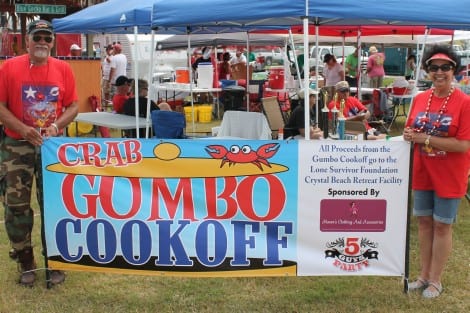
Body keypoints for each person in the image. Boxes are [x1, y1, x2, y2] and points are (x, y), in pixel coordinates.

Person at [0, 19, 78, 287]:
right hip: (15, 146)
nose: (43, 42)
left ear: (53, 42)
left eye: (47, 38)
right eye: (38, 37)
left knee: (54, 206)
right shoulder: (8, 68)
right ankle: (25, 262)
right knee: (16, 206)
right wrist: (22, 129)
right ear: (27, 40)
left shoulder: (64, 69)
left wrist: (58, 126)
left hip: (51, 148)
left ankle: (55, 263)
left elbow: (73, 105)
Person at [402, 45, 470, 299]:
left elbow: (463, 145)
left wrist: (423, 138)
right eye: (433, 67)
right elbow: (411, 131)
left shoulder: (464, 102)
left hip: (450, 173)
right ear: (426, 70)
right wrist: (411, 135)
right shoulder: (420, 99)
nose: (439, 72)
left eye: (445, 67)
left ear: (455, 70)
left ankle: (436, 280)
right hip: (423, 171)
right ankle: (423, 276)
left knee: (442, 225)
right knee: (423, 222)